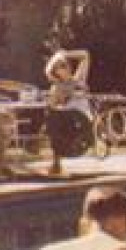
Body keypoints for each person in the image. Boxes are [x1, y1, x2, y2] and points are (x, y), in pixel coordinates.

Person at [43, 48, 94, 177]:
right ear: (55, 71)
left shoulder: (79, 79)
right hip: (68, 120)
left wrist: (64, 54)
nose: (65, 67)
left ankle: (56, 163)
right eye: (60, 66)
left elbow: (85, 55)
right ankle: (56, 163)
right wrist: (61, 98)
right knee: (53, 117)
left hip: (82, 119)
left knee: (56, 118)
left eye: (65, 64)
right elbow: (53, 106)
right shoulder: (56, 87)